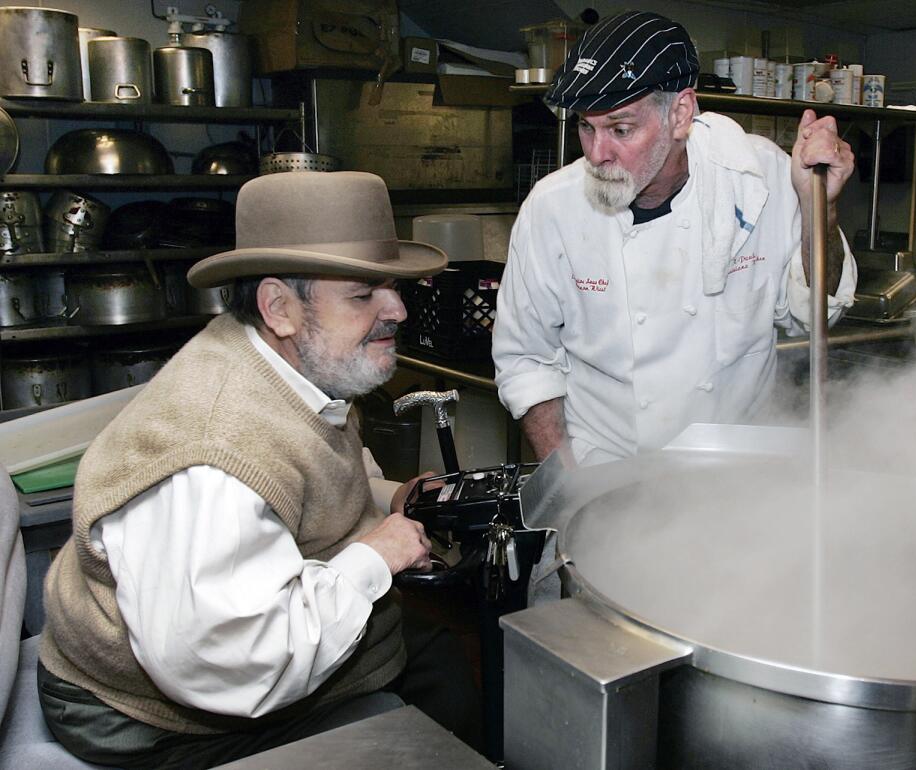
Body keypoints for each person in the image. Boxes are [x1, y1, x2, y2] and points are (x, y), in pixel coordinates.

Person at [36, 171, 480, 768]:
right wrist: (377, 556)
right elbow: (229, 663)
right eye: (362, 294)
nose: (397, 309)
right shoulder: (213, 456)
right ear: (279, 306)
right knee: (438, 700)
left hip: (223, 650)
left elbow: (300, 480)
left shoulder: (290, 362)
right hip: (149, 715)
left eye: (393, 287)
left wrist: (391, 495)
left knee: (439, 662)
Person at [493, 10, 858, 466]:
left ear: (681, 113)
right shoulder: (552, 209)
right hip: (606, 468)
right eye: (587, 127)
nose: (597, 153)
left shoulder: (756, 180)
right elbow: (526, 360)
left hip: (736, 473)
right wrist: (571, 488)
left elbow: (814, 315)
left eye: (621, 129)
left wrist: (817, 206)